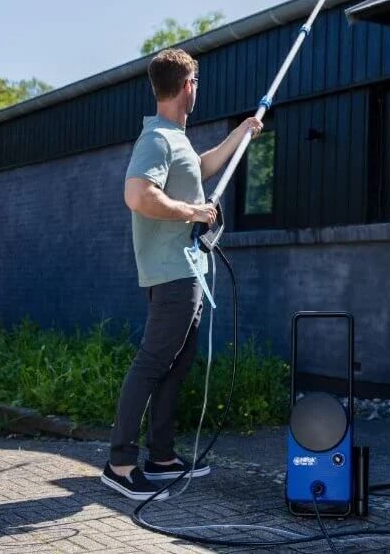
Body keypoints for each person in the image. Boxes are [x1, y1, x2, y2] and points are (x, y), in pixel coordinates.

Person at [101, 47, 263, 500]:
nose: (197, 90)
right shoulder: (156, 139)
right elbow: (138, 195)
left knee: (177, 364)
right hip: (172, 273)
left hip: (186, 270)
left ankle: (162, 456)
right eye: (197, 83)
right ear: (188, 86)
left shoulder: (175, 139)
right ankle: (119, 462)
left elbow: (201, 167)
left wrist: (241, 134)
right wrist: (195, 211)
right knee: (153, 363)